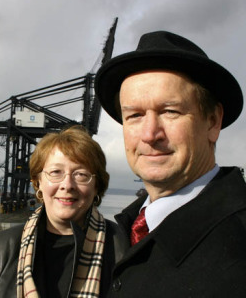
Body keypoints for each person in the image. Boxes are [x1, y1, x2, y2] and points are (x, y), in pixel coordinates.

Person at [95, 30, 246, 297]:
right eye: (135, 116)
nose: (150, 134)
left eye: (169, 111)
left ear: (212, 121)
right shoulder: (127, 230)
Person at [0, 125, 127, 298]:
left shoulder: (121, 246)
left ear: (97, 186)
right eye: (56, 172)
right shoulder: (3, 247)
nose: (67, 185)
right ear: (38, 182)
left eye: (81, 174)